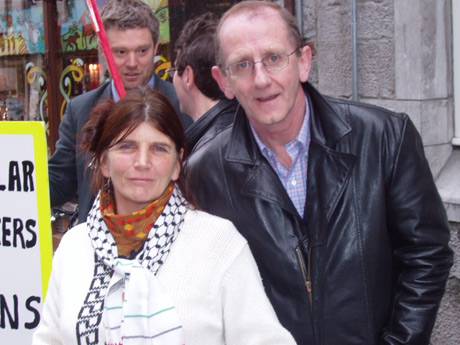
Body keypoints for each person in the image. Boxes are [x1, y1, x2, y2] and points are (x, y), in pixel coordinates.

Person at [186, 1, 454, 345]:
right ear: (224, 82)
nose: (261, 79)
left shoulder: (384, 137)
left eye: (273, 57)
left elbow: (427, 254)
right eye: (242, 65)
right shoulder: (205, 173)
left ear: (304, 61)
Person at [33, 88, 296, 345]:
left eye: (159, 148)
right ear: (104, 162)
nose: (143, 162)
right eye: (127, 147)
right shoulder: (75, 247)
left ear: (177, 164)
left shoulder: (219, 244)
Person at [48, 0, 192, 224]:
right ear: (103, 51)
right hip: (98, 245)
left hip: (170, 242)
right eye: (121, 52)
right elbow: (58, 183)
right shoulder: (80, 110)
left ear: (156, 48)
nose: (132, 63)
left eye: (142, 51)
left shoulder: (183, 106)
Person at [171, 12, 238, 151]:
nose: (173, 79)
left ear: (188, 76)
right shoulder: (244, 128)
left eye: (175, 69)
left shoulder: (207, 155)